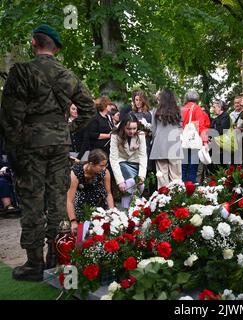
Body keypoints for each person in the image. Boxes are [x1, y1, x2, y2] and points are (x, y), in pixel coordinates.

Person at [0, 24, 96, 281]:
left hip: (30, 145)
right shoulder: (68, 75)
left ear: (34, 43)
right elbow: (89, 109)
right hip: (59, 146)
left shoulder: (22, 71)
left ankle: (34, 264)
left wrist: (14, 147)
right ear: (56, 48)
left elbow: (10, 116)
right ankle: (56, 255)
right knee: (57, 201)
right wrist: (66, 129)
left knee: (31, 201)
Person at [66, 149, 114, 236]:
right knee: (81, 239)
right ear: (91, 164)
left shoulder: (105, 172)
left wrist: (112, 212)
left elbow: (108, 193)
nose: (104, 168)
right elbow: (69, 200)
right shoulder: (76, 172)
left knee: (102, 237)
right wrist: (73, 221)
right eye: (101, 165)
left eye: (105, 165)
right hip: (82, 209)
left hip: (100, 207)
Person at [109, 113, 147, 208]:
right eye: (129, 129)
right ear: (123, 127)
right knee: (130, 183)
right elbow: (113, 158)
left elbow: (143, 156)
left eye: (134, 128)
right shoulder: (115, 135)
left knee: (141, 186)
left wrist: (142, 175)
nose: (132, 131)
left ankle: (135, 211)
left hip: (136, 163)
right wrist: (120, 181)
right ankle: (125, 211)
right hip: (122, 163)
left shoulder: (140, 135)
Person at [149, 89, 183, 188]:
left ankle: (163, 199)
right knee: (176, 175)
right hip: (174, 143)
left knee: (161, 175)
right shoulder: (178, 110)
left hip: (159, 144)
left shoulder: (156, 110)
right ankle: (176, 198)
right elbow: (180, 127)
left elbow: (153, 129)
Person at [181, 90, 210, 183]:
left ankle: (181, 190)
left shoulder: (182, 109)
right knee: (193, 168)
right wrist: (205, 142)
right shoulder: (197, 109)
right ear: (197, 99)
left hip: (183, 142)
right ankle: (190, 191)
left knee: (183, 168)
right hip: (193, 143)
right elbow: (201, 126)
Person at [208, 100, 231, 173]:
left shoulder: (225, 116)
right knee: (212, 165)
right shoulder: (215, 119)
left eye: (214, 107)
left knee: (221, 167)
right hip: (215, 146)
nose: (213, 109)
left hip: (222, 147)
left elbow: (221, 130)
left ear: (220, 107)